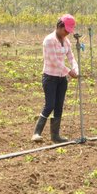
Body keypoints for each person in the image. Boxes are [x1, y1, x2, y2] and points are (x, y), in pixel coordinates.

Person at [32, 14, 79, 143]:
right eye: (65, 30)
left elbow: (71, 57)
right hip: (50, 77)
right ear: (59, 26)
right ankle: (36, 133)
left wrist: (76, 68)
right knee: (49, 105)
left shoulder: (66, 41)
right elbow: (54, 61)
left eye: (69, 32)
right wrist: (69, 71)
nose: (67, 33)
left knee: (59, 106)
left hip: (61, 78)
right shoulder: (49, 40)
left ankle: (55, 136)